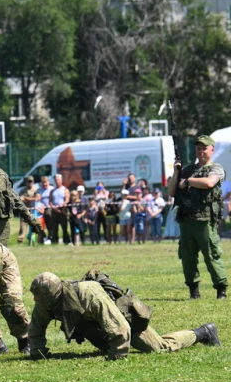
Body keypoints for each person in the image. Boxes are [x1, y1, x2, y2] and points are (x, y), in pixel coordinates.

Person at [27, 271, 221, 360]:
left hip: (123, 318)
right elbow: (37, 326)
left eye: (38, 295)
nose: (34, 299)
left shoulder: (88, 293)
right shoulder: (46, 301)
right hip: (98, 325)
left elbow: (118, 325)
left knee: (160, 348)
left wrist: (118, 354)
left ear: (52, 293)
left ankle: (203, 332)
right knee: (106, 343)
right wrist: (37, 352)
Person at [169, 135, 228, 299]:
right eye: (198, 148)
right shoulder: (187, 169)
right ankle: (193, 291)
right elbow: (172, 191)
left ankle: (221, 289)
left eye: (204, 148)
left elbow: (209, 183)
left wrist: (187, 181)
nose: (201, 151)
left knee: (211, 255)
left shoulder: (216, 168)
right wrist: (176, 173)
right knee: (187, 257)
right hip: (186, 219)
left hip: (205, 219)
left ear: (212, 150)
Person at [48, 174, 71, 245]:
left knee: (64, 227)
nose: (56, 181)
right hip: (54, 211)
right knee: (54, 227)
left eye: (58, 180)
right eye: (55, 180)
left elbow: (67, 200)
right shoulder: (52, 191)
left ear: (61, 180)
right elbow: (50, 201)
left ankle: (66, 241)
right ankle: (55, 241)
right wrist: (53, 207)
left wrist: (62, 205)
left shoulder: (65, 189)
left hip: (62, 210)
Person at [18, 177, 40, 244]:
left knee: (33, 225)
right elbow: (21, 199)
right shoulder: (22, 190)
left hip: (33, 211)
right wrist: (31, 198)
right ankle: (20, 241)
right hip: (24, 211)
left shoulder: (36, 189)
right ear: (26, 182)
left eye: (31, 181)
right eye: (28, 181)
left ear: (33, 182)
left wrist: (26, 198)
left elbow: (37, 198)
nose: (29, 183)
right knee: (23, 226)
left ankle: (32, 240)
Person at [38, 176, 54, 244]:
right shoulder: (39, 190)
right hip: (41, 209)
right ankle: (43, 238)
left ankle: (50, 238)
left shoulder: (52, 189)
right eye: (43, 183)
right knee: (40, 225)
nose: (44, 184)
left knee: (50, 224)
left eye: (46, 182)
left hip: (49, 209)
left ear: (48, 182)